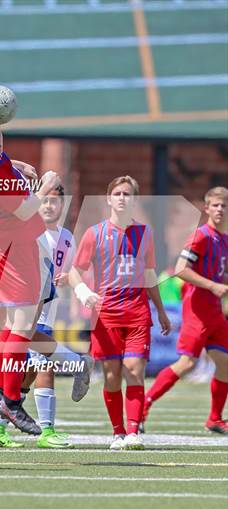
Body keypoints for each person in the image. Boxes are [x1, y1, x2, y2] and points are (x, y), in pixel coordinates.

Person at [0, 107, 92, 435]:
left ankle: (6, 394)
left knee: (9, 326)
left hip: (7, 243)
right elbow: (26, 208)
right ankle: (10, 398)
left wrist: (15, 165)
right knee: (19, 326)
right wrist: (44, 186)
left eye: (0, 134)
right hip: (17, 244)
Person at [70, 175, 171, 451]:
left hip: (137, 313)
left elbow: (149, 275)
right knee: (112, 375)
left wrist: (160, 311)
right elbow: (74, 272)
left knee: (134, 371)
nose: (122, 198)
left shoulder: (145, 234)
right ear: (109, 199)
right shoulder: (94, 233)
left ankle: (133, 431)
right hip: (106, 316)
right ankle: (117, 432)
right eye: (118, 193)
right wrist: (84, 293)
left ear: (134, 200)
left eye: (128, 194)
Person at [0, 185, 77, 449]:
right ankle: (43, 427)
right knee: (23, 355)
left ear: (63, 206)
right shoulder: (28, 226)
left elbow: (71, 269)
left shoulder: (66, 237)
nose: (50, 205)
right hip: (21, 296)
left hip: (43, 301)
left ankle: (0, 427)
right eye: (46, 200)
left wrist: (73, 283)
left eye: (56, 201)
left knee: (30, 370)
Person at [142, 186, 228, 434]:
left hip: (214, 313)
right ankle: (144, 405)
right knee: (187, 363)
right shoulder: (200, 236)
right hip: (197, 310)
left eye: (224, 205)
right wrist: (212, 285)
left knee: (224, 363)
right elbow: (181, 268)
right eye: (215, 205)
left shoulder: (224, 240)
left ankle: (214, 418)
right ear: (207, 208)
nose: (220, 209)